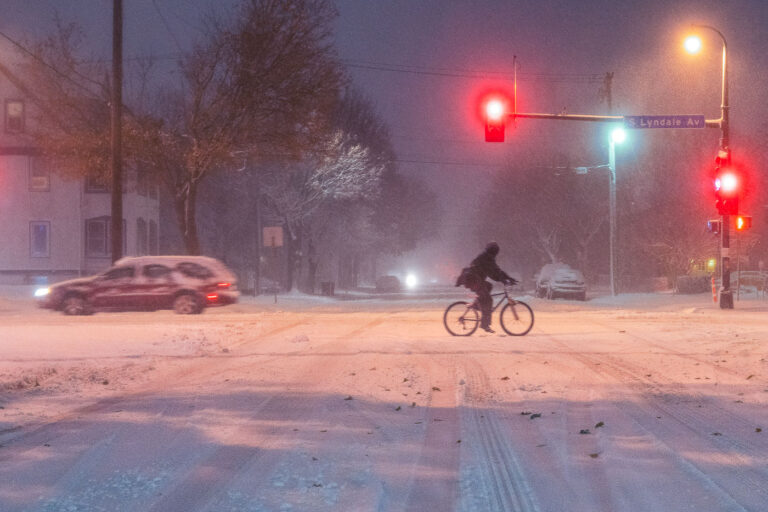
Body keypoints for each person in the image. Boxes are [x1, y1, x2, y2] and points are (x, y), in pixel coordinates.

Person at [460, 241, 517, 333]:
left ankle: (477, 304)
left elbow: (496, 270)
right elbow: (493, 273)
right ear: (493, 251)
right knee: (488, 300)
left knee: (489, 286)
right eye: (495, 252)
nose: (495, 254)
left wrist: (508, 278)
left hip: (476, 279)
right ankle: (485, 325)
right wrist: (503, 279)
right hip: (473, 280)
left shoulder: (487, 257)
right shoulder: (486, 258)